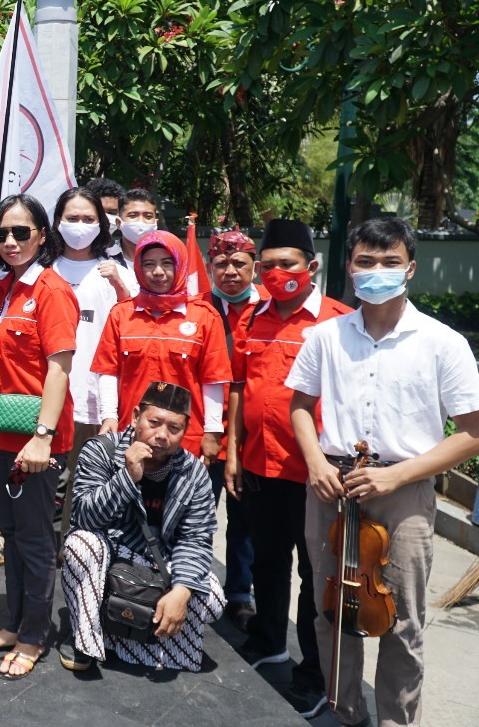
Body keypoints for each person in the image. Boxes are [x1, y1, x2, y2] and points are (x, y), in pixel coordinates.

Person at [287, 217, 479, 727]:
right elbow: (301, 406)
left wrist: (397, 477)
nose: (377, 271)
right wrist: (314, 462)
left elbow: (474, 431)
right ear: (349, 269)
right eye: (366, 262)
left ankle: (396, 719)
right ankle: (343, 711)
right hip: (333, 487)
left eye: (390, 262)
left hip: (404, 491)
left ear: (409, 268)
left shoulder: (442, 342)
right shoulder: (324, 336)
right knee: (333, 610)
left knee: (401, 621)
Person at [225, 219, 350, 719]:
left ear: (312, 267)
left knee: (317, 575)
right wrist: (233, 450)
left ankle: (313, 674)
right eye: (269, 265)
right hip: (260, 464)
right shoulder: (252, 320)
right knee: (267, 562)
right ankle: (268, 641)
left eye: (287, 264)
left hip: (317, 474)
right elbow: (237, 388)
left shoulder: (339, 323)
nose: (276, 274)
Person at [0, 194, 76, 680]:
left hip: (37, 439)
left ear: (42, 235)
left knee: (34, 541)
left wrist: (44, 436)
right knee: (11, 536)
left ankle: (33, 635)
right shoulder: (3, 289)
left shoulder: (51, 290)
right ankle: (13, 623)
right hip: (3, 433)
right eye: (2, 233)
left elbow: (59, 366)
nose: (10, 241)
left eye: (21, 232)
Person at [59, 381, 226, 673]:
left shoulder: (194, 473)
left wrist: (181, 592)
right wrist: (126, 478)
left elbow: (196, 540)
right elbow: (83, 518)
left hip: (159, 562)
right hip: (109, 554)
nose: (162, 435)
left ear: (185, 431)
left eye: (174, 429)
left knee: (212, 600)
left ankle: (139, 633)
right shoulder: (100, 450)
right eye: (154, 423)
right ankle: (86, 638)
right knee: (79, 545)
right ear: (136, 417)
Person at [91, 229, 231, 464]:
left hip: (186, 438)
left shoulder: (204, 316)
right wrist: (108, 416)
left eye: (167, 263)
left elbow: (213, 379)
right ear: (138, 267)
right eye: (148, 264)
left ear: (180, 265)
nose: (158, 272)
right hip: (130, 435)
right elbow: (108, 372)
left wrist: (213, 430)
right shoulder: (121, 313)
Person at [49, 187, 135, 550]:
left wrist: (118, 282)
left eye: (88, 219)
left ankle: (74, 548)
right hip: (45, 393)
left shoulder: (113, 272)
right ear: (56, 222)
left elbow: (134, 321)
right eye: (72, 218)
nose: (80, 226)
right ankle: (21, 543)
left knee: (85, 481)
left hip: (92, 394)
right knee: (40, 477)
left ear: (103, 225)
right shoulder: (43, 267)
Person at [203, 229, 261, 633]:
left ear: (253, 266)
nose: (230, 271)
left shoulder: (270, 310)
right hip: (204, 435)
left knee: (245, 522)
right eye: (221, 263)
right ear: (209, 267)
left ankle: (241, 592)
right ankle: (197, 586)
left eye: (239, 263)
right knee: (198, 516)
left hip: (253, 437)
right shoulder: (197, 309)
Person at [116, 188, 160, 270]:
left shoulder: (167, 256)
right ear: (118, 223)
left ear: (156, 223)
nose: (141, 221)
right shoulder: (104, 257)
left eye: (148, 216)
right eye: (133, 216)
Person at [84, 177, 124, 259]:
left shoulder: (129, 256)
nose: (105, 218)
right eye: (99, 211)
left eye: (112, 212)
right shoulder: (67, 254)